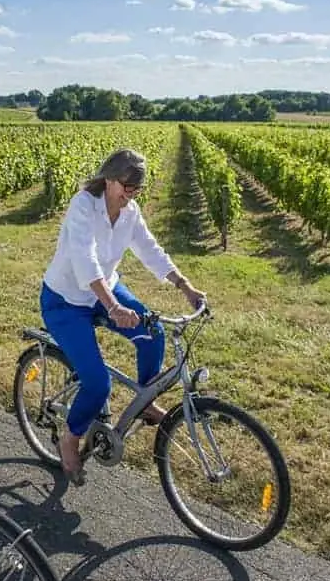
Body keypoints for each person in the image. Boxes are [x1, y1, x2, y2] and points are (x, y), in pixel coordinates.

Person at [39, 148, 206, 484]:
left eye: (137, 190)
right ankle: (70, 439)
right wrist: (114, 306)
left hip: (105, 291)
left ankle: (145, 400)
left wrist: (185, 286)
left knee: (153, 333)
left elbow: (150, 249)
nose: (131, 195)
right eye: (127, 188)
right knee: (98, 384)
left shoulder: (130, 212)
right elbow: (85, 259)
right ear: (109, 179)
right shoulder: (83, 205)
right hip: (65, 300)